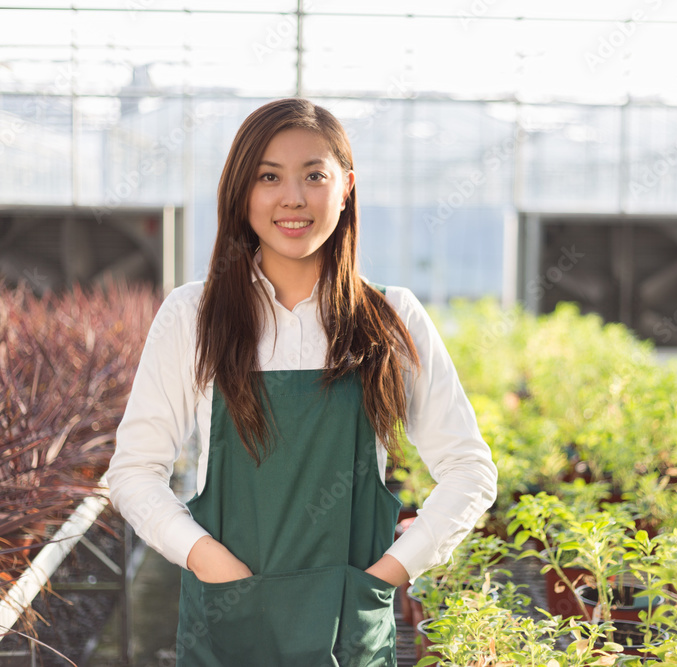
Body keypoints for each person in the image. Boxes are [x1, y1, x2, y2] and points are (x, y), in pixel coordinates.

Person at [105, 98, 498, 667]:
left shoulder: (391, 318)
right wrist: (208, 561)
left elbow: (470, 470)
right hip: (227, 624)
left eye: (315, 175)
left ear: (346, 188)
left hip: (346, 628)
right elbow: (133, 472)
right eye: (269, 177)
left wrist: (390, 571)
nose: (293, 198)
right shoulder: (194, 315)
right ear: (242, 192)